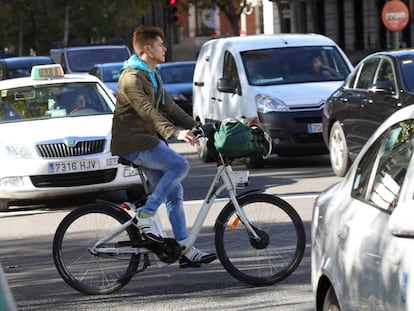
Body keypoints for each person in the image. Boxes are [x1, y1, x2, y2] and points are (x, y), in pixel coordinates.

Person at [110, 25, 216, 268]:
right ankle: (146, 215)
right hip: (133, 142)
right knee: (180, 165)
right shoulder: (131, 78)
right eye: (160, 45)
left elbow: (169, 106)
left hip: (148, 139)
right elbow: (147, 111)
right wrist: (176, 132)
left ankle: (184, 248)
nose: (165, 48)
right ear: (148, 48)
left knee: (175, 192)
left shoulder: (152, 73)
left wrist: (200, 126)